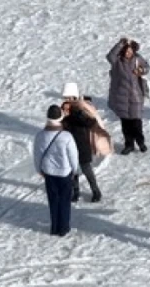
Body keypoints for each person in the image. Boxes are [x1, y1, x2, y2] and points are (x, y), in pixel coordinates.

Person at [33, 104, 79, 236]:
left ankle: (54, 227)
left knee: (53, 200)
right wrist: (75, 170)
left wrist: (39, 169)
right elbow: (73, 155)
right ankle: (64, 227)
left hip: (48, 173)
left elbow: (37, 154)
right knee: (64, 201)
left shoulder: (40, 135)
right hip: (65, 173)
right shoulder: (66, 136)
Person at [61, 83, 109, 203]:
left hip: (82, 144)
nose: (67, 100)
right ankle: (75, 192)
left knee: (87, 170)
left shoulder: (82, 109)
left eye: (69, 98)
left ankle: (95, 191)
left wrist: (75, 115)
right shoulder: (64, 110)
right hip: (70, 145)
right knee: (73, 170)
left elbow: (91, 122)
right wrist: (64, 117)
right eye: (65, 98)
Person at [106, 37, 150, 154]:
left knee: (136, 123)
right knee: (126, 124)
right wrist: (121, 44)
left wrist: (141, 70)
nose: (127, 53)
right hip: (121, 97)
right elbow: (109, 56)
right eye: (125, 50)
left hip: (136, 95)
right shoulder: (117, 62)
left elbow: (147, 67)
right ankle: (129, 144)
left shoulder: (137, 59)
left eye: (130, 51)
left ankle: (140, 142)